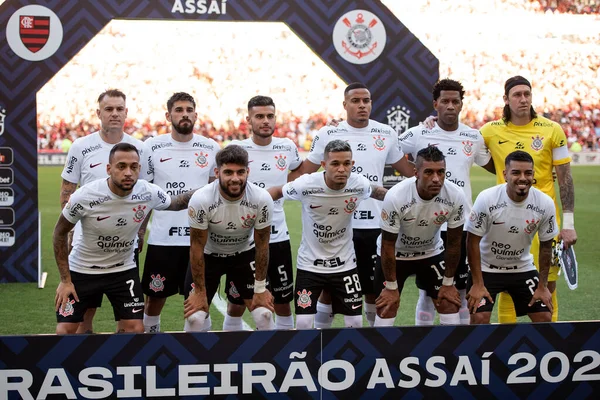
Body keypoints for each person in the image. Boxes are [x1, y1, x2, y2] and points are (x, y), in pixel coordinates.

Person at [298, 82, 414, 328]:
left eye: (366, 101)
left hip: (375, 223)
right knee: (328, 288)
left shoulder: (385, 132)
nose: (362, 105)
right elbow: (304, 172)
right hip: (336, 224)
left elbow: (408, 171)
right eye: (356, 101)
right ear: (345, 105)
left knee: (373, 287)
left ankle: (372, 341)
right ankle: (319, 343)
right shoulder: (328, 134)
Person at [53, 143, 195, 334]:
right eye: (121, 166)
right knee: (66, 331)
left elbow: (177, 203)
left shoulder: (147, 191)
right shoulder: (86, 196)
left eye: (133, 167)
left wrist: (214, 187)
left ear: (139, 169)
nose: (128, 172)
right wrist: (65, 280)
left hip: (122, 271)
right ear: (109, 169)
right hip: (83, 270)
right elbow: (59, 233)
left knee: (135, 329)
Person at [480, 76, 577, 322]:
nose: (523, 99)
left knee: (548, 283)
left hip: (544, 219)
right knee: (506, 284)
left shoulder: (552, 130)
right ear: (506, 99)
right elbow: (461, 142)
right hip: (504, 218)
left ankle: (549, 343)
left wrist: (568, 224)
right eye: (517, 95)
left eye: (527, 94)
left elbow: (564, 179)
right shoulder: (490, 131)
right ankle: (508, 347)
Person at [399, 79, 494, 326]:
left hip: (461, 224)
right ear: (435, 104)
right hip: (427, 225)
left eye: (455, 101)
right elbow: (385, 150)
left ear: (462, 105)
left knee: (459, 289)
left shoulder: (473, 137)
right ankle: (424, 347)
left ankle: (457, 346)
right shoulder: (420, 133)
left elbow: (495, 164)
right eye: (445, 101)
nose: (450, 106)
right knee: (428, 291)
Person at [269, 140, 388, 329]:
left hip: (345, 264)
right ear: (323, 165)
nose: (342, 169)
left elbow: (378, 192)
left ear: (352, 165)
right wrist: (250, 203)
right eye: (335, 164)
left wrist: (405, 197)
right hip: (310, 264)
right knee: (303, 323)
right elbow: (276, 191)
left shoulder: (358, 184)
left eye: (346, 163)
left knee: (355, 322)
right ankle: (310, 356)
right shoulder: (306, 184)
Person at [60, 89, 148, 333]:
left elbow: (147, 194)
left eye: (120, 109)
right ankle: (85, 363)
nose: (115, 114)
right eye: (109, 109)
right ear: (98, 113)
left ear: (126, 112)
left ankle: (119, 365)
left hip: (124, 245)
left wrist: (140, 231)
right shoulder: (81, 146)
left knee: (128, 317)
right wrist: (70, 232)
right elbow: (67, 192)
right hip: (86, 242)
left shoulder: (140, 148)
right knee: (84, 315)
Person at [140, 92, 220, 333]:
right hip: (162, 239)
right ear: (168, 115)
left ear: (195, 115)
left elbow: (216, 194)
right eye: (179, 110)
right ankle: (150, 342)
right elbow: (145, 194)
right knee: (154, 299)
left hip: (199, 239)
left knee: (197, 300)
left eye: (188, 110)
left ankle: (196, 348)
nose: (184, 114)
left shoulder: (210, 147)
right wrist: (141, 230)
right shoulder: (151, 147)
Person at [224, 96, 302, 331]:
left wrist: (280, 191)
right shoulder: (237, 150)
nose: (265, 121)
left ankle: (284, 356)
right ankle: (232, 357)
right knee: (236, 303)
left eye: (269, 116)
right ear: (248, 120)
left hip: (278, 237)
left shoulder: (287, 146)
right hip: (243, 241)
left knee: (283, 302)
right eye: (259, 116)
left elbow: (299, 173)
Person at [184, 145, 275, 331]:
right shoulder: (201, 199)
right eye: (228, 172)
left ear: (248, 171)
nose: (235, 178)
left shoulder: (261, 198)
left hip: (244, 254)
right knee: (195, 318)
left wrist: (259, 288)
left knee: (264, 315)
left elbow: (262, 244)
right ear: (217, 172)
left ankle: (268, 359)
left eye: (241, 172)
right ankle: (197, 358)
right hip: (209, 255)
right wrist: (200, 292)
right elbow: (196, 247)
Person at [374, 146, 466, 327]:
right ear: (416, 172)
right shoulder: (396, 196)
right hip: (396, 255)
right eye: (429, 172)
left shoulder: (455, 195)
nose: (436, 179)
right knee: (387, 306)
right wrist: (391, 288)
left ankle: (450, 353)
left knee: (449, 303)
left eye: (441, 172)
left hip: (430, 252)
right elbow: (387, 245)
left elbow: (455, 242)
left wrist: (448, 282)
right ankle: (382, 354)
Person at [465, 151, 556, 324]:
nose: (523, 178)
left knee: (544, 317)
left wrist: (542, 286)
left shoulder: (544, 203)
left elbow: (546, 246)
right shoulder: (487, 198)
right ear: (505, 174)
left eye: (528, 173)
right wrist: (477, 283)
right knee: (479, 318)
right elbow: (472, 240)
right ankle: (484, 351)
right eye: (516, 173)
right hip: (486, 269)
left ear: (533, 174)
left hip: (522, 268)